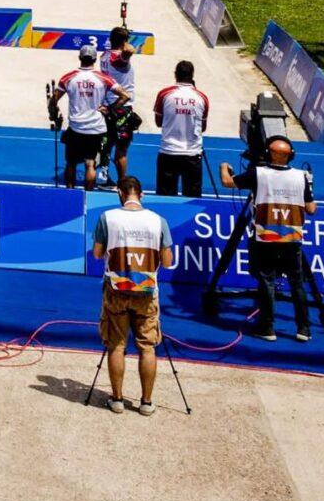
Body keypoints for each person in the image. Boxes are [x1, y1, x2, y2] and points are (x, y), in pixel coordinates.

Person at [91, 174, 173, 415]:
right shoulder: (159, 221)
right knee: (147, 347)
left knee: (116, 345)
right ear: (142, 194)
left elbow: (97, 254)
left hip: (116, 290)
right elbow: (168, 262)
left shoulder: (108, 218)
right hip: (146, 292)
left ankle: (117, 399)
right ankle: (146, 402)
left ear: (119, 193)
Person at [221, 136, 316, 341]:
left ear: (267, 154)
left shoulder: (259, 173)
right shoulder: (301, 176)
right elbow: (311, 209)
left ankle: (268, 328)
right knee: (297, 284)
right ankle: (303, 329)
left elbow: (228, 182)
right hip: (292, 238)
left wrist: (223, 166)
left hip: (266, 238)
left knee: (267, 281)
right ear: (291, 156)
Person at [53, 46, 114, 189]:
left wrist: (55, 113)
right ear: (94, 59)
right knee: (90, 162)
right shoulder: (103, 78)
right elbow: (125, 95)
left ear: (80, 58)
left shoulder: (69, 77)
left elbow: (53, 99)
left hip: (76, 128)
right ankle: (88, 194)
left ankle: (69, 191)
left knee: (71, 162)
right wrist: (109, 108)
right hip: (95, 128)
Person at [153, 60, 210, 197]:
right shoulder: (202, 97)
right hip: (192, 153)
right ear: (192, 75)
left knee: (165, 197)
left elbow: (158, 122)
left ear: (175, 74)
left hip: (169, 152)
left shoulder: (164, 94)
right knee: (192, 198)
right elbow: (202, 127)